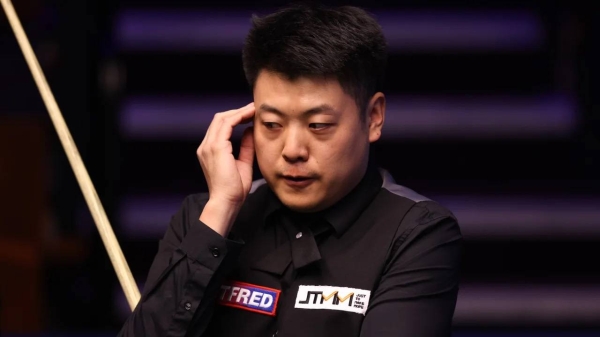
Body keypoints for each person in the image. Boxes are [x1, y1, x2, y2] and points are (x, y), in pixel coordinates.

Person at [118, 4, 462, 337]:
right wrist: (219, 213)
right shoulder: (205, 218)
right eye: (271, 124)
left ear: (373, 117)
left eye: (318, 125)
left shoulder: (417, 233)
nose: (293, 150)